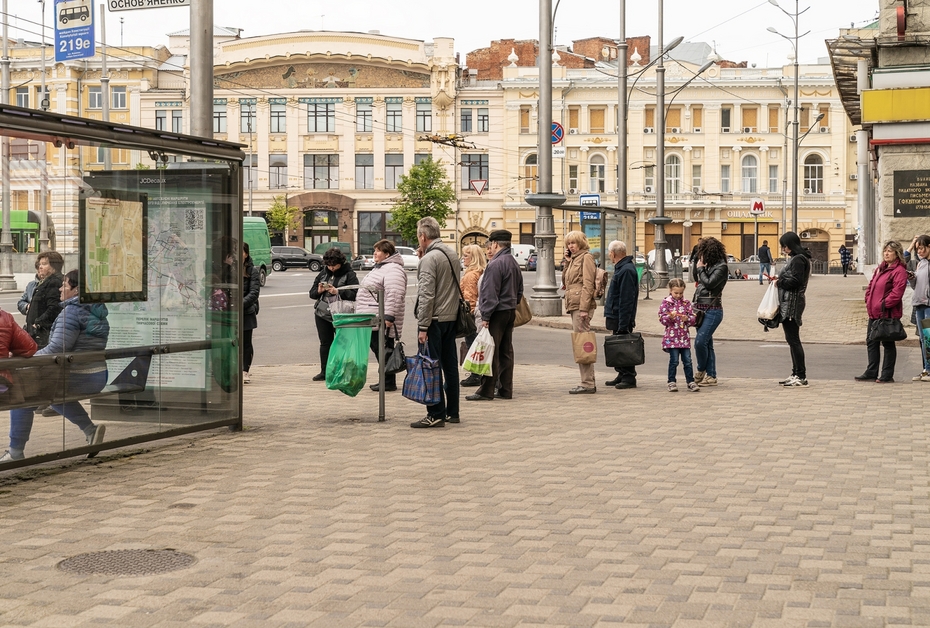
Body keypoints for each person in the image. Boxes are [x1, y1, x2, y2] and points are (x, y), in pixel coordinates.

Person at [2, 271, 109, 462]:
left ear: (76, 290)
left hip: (79, 374)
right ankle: (90, 430)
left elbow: (56, 349)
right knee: (56, 397)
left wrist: (29, 360)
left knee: (24, 398)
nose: (60, 288)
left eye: (65, 285)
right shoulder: (97, 312)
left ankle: (15, 452)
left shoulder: (71, 313)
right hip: (98, 374)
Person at [411, 217, 461, 428]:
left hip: (434, 320)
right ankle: (453, 412)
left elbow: (427, 294)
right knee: (450, 366)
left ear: (423, 236)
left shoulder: (429, 259)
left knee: (430, 367)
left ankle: (435, 413)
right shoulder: (452, 253)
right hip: (452, 317)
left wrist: (423, 326)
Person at [466, 230, 522, 402]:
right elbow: (520, 290)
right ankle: (505, 389)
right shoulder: (513, 262)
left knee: (490, 350)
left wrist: (486, 316)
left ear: (496, 244)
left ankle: (486, 390)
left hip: (496, 312)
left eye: (490, 244)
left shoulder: (496, 263)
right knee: (505, 351)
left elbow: (490, 293)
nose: (489, 248)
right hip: (509, 310)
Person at [355, 239, 407, 392]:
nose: (374, 254)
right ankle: (385, 380)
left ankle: (388, 382)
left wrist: (389, 317)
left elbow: (394, 294)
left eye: (378, 251)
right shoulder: (382, 268)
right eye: (374, 250)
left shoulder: (393, 270)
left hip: (382, 318)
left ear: (387, 254)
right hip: (374, 317)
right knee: (380, 350)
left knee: (384, 350)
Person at [856, 240, 908, 384]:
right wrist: (868, 299)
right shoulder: (881, 268)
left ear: (897, 253)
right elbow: (872, 284)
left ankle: (887, 374)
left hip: (887, 314)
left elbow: (897, 292)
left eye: (890, 251)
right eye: (885, 250)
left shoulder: (899, 271)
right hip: (874, 313)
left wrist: (883, 304)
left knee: (888, 344)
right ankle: (871, 372)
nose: (886, 253)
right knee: (871, 342)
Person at [309, 247, 358, 382]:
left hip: (342, 314)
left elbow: (354, 294)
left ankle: (344, 370)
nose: (331, 268)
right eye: (329, 266)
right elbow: (311, 294)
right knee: (325, 343)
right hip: (322, 313)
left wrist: (338, 292)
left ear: (340, 263)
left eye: (334, 266)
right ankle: (325, 371)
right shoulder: (323, 274)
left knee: (343, 344)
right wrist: (319, 291)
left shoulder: (349, 274)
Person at [775, 232, 813, 387]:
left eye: (784, 245)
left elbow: (795, 281)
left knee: (794, 340)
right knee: (791, 340)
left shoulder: (798, 259)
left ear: (790, 245)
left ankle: (801, 375)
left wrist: (780, 281)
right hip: (791, 301)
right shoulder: (798, 258)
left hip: (792, 302)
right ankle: (796, 372)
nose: (783, 249)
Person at [562, 231, 598, 394]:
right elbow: (566, 281)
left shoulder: (586, 258)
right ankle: (588, 381)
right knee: (581, 341)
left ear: (581, 243)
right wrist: (567, 262)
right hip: (574, 303)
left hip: (580, 305)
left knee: (583, 343)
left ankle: (588, 383)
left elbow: (588, 284)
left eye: (574, 243)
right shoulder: (574, 259)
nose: (571, 246)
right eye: (569, 243)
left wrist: (584, 308)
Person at [692, 237, 728, 387]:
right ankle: (711, 376)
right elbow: (696, 278)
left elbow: (709, 283)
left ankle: (701, 369)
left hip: (712, 311)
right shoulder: (706, 265)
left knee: (700, 342)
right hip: (700, 309)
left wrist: (701, 268)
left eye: (703, 252)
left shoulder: (721, 267)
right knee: (707, 344)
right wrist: (697, 263)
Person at [603, 240, 639, 389]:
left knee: (624, 346)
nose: (609, 255)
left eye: (609, 253)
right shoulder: (623, 268)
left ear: (613, 253)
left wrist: (624, 323)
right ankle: (622, 373)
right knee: (619, 347)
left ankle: (629, 377)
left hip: (620, 316)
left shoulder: (626, 270)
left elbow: (626, 299)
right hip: (615, 314)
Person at [659, 278, 700, 393]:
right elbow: (662, 318)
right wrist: (669, 318)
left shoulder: (686, 303)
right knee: (674, 360)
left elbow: (693, 318)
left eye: (680, 293)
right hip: (671, 339)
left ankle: (690, 381)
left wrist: (688, 319)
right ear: (670, 291)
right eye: (676, 293)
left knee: (687, 360)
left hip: (684, 338)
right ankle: (671, 381)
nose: (678, 295)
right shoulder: (666, 303)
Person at [459, 243, 487, 387]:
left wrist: (466, 316)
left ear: (474, 257)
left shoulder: (471, 275)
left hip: (471, 315)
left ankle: (475, 375)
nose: (463, 258)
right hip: (479, 314)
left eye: (466, 255)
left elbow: (469, 298)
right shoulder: (481, 272)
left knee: (473, 345)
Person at [24, 251, 64, 349]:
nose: (40, 267)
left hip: (42, 334)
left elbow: (54, 307)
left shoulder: (54, 282)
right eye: (40, 264)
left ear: (54, 266)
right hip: (37, 333)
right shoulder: (46, 281)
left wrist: (37, 323)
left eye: (44, 264)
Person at [908, 235, 930, 382]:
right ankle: (925, 369)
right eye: (917, 249)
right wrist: (912, 278)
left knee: (928, 338)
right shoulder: (920, 264)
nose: (919, 252)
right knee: (923, 339)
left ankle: (928, 370)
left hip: (928, 305)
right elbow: (916, 285)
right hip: (919, 305)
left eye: (922, 248)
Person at [241, 242, 261, 384]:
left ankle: (244, 371)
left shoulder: (252, 270)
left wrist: (238, 305)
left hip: (246, 311)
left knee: (246, 343)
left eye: (240, 252)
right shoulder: (229, 268)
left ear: (246, 254)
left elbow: (254, 293)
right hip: (229, 312)